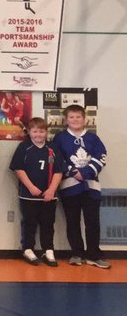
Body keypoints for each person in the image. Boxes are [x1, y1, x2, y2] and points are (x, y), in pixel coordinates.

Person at [53, 104, 110, 269]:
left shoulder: (93, 138)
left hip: (91, 186)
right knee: (72, 221)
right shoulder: (60, 138)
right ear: (66, 120)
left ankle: (93, 255)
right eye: (71, 117)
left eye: (78, 117)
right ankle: (77, 253)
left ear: (84, 119)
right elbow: (57, 159)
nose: (75, 120)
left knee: (92, 222)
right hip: (69, 186)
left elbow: (102, 156)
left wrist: (85, 173)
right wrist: (72, 171)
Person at [10, 117, 61, 266]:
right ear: (30, 132)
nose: (38, 135)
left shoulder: (53, 148)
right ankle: (27, 248)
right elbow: (18, 169)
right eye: (35, 131)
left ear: (46, 132)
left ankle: (48, 249)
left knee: (48, 224)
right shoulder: (24, 147)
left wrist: (52, 189)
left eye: (42, 131)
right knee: (29, 223)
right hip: (28, 196)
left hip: (49, 196)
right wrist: (31, 187)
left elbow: (59, 171)